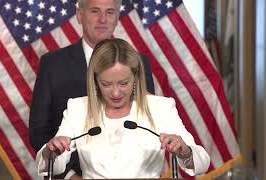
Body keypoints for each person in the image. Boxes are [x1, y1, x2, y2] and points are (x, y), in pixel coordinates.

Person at [36, 38, 210, 179]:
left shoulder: (160, 108)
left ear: (135, 77)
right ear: (95, 80)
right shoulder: (78, 108)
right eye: (106, 84)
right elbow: (53, 166)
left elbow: (202, 163)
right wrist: (51, 151)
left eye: (123, 83)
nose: (115, 92)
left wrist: (184, 150)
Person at [29, 0, 154, 178]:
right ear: (80, 15)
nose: (103, 19)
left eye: (110, 12)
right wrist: (69, 176)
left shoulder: (139, 64)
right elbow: (39, 131)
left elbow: (148, 125)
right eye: (95, 11)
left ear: (117, 18)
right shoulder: (52, 64)